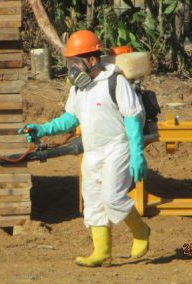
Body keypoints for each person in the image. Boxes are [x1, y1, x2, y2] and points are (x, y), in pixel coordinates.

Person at [18, 30, 150, 267]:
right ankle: (102, 252)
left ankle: (140, 231)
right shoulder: (78, 89)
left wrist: (137, 152)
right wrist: (43, 129)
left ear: (91, 60)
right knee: (93, 202)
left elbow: (132, 117)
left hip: (117, 148)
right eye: (70, 62)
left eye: (75, 62)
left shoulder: (115, 81)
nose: (72, 68)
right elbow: (70, 119)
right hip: (92, 152)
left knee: (112, 198)